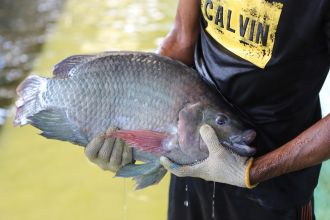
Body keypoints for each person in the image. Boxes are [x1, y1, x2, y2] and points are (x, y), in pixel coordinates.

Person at [85, 0, 330, 219]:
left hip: (274, 185)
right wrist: (128, 124)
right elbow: (181, 40)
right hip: (192, 161)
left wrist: (252, 172)